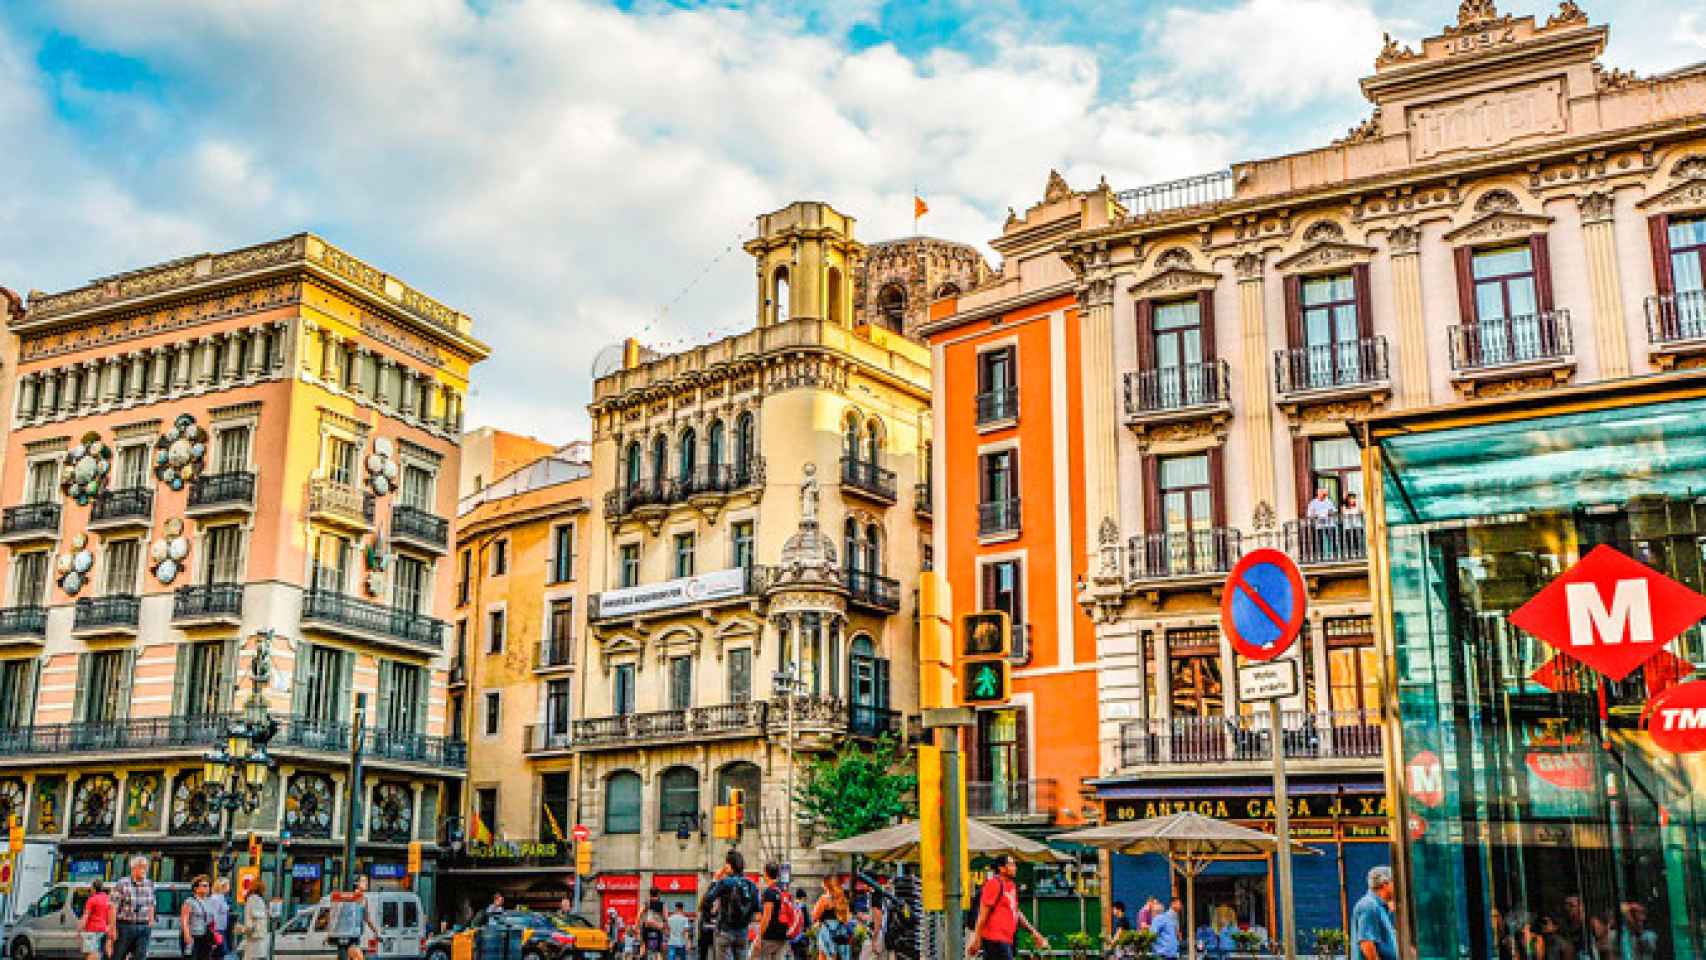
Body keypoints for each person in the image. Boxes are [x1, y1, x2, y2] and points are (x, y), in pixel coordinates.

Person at [967, 855, 1047, 960]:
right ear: (1001, 868)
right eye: (1011, 864)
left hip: (1006, 939)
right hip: (995, 939)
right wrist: (977, 939)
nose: (1015, 867)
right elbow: (982, 914)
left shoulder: (1011, 886)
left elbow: (1016, 912)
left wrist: (1034, 932)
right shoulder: (994, 884)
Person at [705, 850, 760, 960]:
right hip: (743, 932)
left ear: (730, 865)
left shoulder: (725, 882)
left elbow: (708, 898)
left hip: (725, 931)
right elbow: (757, 909)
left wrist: (715, 879)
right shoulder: (751, 885)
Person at [111, 856, 156, 960]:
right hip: (124, 926)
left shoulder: (149, 884)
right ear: (133, 868)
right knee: (118, 956)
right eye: (141, 867)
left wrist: (151, 921)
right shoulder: (122, 883)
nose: (144, 870)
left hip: (143, 927)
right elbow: (113, 906)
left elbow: (152, 904)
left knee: (141, 956)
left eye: (146, 867)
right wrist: (113, 928)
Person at [1352, 866, 1398, 960]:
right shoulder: (1369, 905)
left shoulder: (1379, 906)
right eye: (1395, 882)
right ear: (1385, 884)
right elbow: (1366, 943)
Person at [756, 864, 791, 960]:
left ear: (766, 874)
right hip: (783, 934)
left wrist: (758, 936)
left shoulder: (769, 892)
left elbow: (766, 917)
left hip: (770, 936)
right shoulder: (783, 890)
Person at [812, 877, 851, 960]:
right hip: (840, 931)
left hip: (827, 929)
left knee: (824, 955)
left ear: (826, 885)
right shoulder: (843, 899)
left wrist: (817, 922)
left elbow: (815, 916)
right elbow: (847, 918)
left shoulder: (824, 899)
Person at [182, 876, 219, 960]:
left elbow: (211, 921)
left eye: (208, 886)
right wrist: (187, 936)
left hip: (206, 936)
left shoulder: (210, 901)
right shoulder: (190, 901)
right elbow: (185, 920)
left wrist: (213, 938)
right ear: (196, 888)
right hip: (194, 936)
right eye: (204, 886)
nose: (207, 888)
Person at [80, 878, 112, 960]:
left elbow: (86, 915)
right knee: (100, 953)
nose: (90, 889)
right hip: (104, 930)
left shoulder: (91, 900)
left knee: (92, 953)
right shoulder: (107, 898)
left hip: (92, 930)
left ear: (94, 888)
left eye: (91, 887)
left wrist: (80, 928)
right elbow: (110, 914)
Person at [239, 880, 271, 960]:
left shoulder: (252, 898)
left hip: (255, 932)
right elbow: (255, 913)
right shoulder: (255, 898)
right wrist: (266, 912)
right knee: (254, 956)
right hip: (256, 932)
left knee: (251, 956)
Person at [209, 879, 233, 960]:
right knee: (218, 953)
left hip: (222, 928)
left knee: (221, 953)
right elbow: (213, 915)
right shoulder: (216, 898)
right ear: (223, 886)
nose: (229, 887)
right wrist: (213, 931)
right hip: (217, 929)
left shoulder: (221, 897)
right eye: (228, 885)